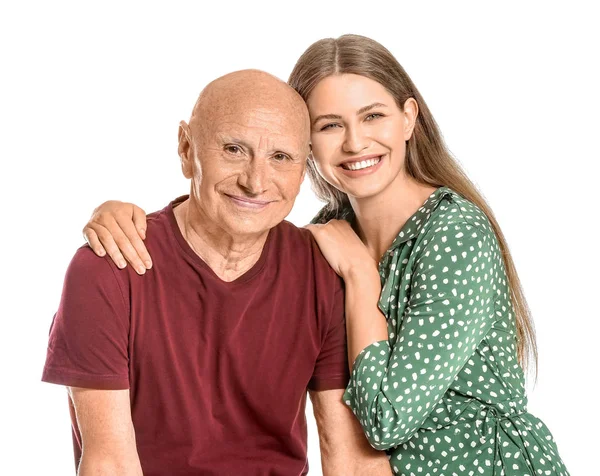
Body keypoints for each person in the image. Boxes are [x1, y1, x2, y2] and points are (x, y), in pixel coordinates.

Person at [85, 35, 571, 475]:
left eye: (373, 116)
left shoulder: (452, 234)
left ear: (408, 118)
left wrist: (361, 276)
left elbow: (384, 420)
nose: (356, 142)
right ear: (307, 143)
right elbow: (226, 224)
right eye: (331, 125)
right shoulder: (323, 236)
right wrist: (120, 215)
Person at [42, 69, 392, 475]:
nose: (256, 182)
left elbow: (350, 460)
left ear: (303, 168)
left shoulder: (321, 273)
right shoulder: (109, 269)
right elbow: (110, 464)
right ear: (187, 148)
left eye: (280, 157)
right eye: (233, 149)